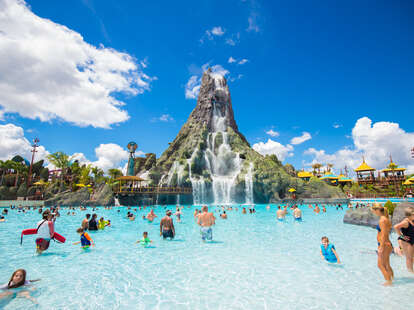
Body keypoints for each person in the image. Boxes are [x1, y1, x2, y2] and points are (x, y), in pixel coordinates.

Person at [371, 204, 394, 286]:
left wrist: (381, 246)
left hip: (384, 244)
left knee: (380, 265)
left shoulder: (382, 220)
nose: (373, 213)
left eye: (373, 211)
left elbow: (384, 234)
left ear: (377, 210)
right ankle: (391, 279)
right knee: (387, 264)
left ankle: (388, 282)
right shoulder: (385, 219)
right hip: (386, 244)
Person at [394, 207, 414, 273]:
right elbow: (396, 227)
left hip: (411, 240)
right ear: (409, 215)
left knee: (411, 257)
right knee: (409, 258)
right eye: (413, 214)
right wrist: (402, 236)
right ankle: (411, 273)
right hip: (406, 241)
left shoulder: (412, 220)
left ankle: (398, 250)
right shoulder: (406, 222)